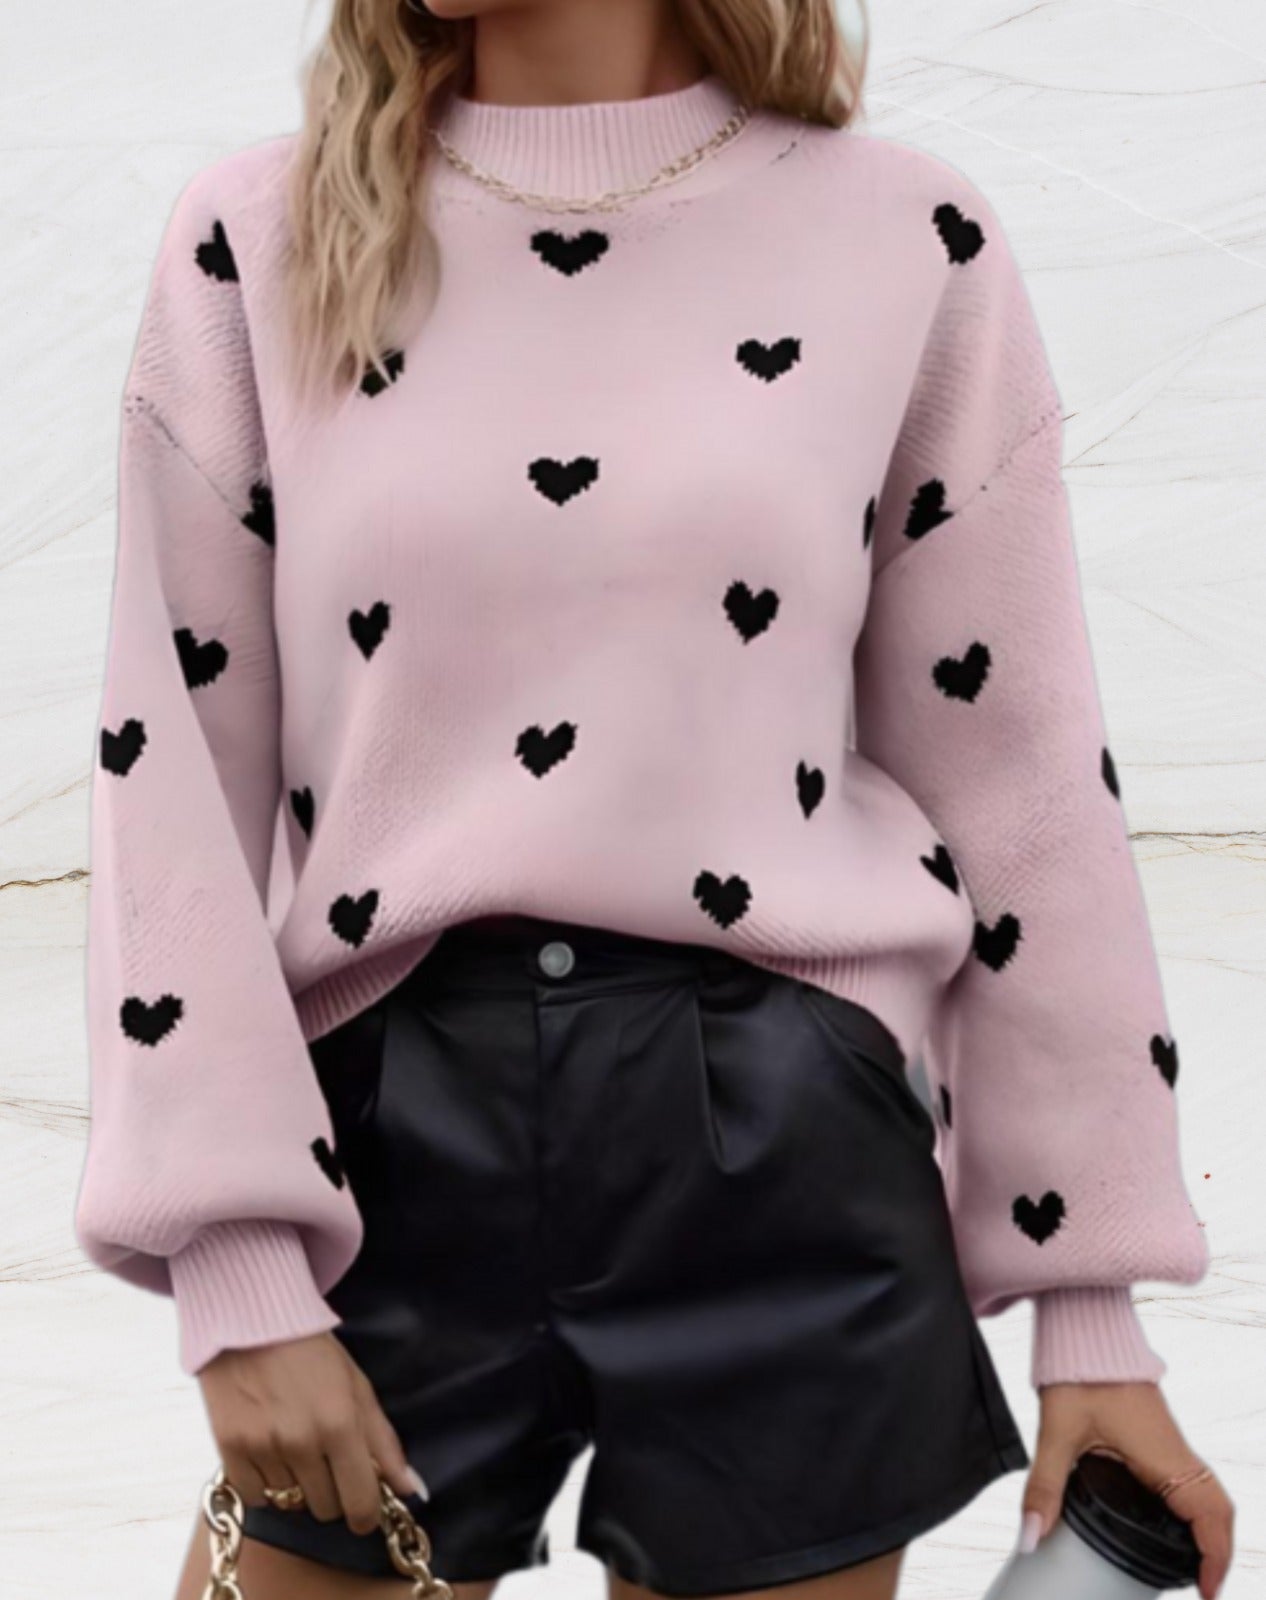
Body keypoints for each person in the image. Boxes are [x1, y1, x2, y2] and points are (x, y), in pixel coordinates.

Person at [74, 2, 1235, 1597]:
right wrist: (234, 1276)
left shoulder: (901, 238)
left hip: (785, 1145)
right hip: (388, 1145)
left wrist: (1091, 1319)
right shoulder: (257, 240)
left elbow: (1020, 780)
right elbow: (168, 782)